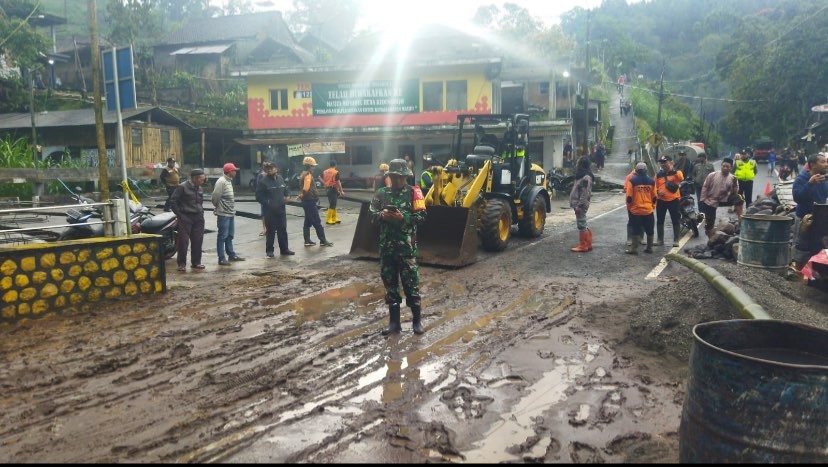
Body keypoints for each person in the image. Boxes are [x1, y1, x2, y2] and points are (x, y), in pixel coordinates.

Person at [369, 158, 427, 335]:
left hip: (406, 250)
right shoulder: (381, 193)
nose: (398, 181)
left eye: (401, 177)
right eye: (394, 177)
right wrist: (382, 215)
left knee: (411, 286)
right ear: (390, 176)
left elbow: (423, 216)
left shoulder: (414, 193)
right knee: (391, 287)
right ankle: (394, 324)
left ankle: (416, 322)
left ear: (406, 177)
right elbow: (371, 215)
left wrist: (404, 218)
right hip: (387, 249)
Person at [791, 152, 828, 268]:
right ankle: (796, 272)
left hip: (820, 220)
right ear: (812, 165)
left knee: (817, 247)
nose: (826, 164)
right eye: (823, 162)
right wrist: (810, 184)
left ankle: (813, 273)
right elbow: (797, 198)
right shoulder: (801, 179)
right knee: (800, 248)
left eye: (827, 162)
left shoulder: (824, 180)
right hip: (804, 219)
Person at [170, 169, 207, 272]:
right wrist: (180, 215)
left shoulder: (199, 188)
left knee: (198, 241)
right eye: (201, 179)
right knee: (183, 242)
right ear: (194, 178)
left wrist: (201, 212)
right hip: (186, 217)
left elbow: (200, 202)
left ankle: (196, 262)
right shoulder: (182, 187)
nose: (202, 182)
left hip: (198, 217)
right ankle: (181, 264)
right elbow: (173, 201)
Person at [256, 162, 294, 257]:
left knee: (282, 230)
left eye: (271, 168)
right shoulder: (263, 182)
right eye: (268, 168)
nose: (269, 169)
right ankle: (269, 251)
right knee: (270, 231)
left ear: (276, 169)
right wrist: (268, 203)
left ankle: (284, 249)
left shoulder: (280, 179)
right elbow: (258, 196)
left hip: (281, 210)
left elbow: (286, 190)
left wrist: (288, 196)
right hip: (269, 212)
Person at [699, 157, 744, 239]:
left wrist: (734, 184)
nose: (725, 168)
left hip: (724, 199)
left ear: (731, 168)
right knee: (709, 221)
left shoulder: (733, 178)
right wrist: (702, 200)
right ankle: (711, 239)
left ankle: (741, 219)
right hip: (711, 200)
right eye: (723, 166)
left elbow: (735, 192)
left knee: (739, 198)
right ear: (721, 166)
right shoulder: (712, 175)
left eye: (727, 167)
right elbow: (705, 187)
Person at [211, 162, 245, 265]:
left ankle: (231, 254)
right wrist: (218, 207)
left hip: (230, 213)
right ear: (230, 172)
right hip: (224, 214)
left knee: (230, 235)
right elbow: (215, 197)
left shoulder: (229, 181)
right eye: (234, 170)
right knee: (222, 236)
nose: (235, 172)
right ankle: (221, 258)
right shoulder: (221, 181)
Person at [297, 156, 333, 247]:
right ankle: (323, 240)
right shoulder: (308, 175)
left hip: (306, 201)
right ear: (309, 166)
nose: (314, 167)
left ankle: (307, 240)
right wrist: (301, 195)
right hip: (309, 201)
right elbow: (306, 188)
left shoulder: (303, 174)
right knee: (316, 221)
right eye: (313, 166)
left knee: (308, 221)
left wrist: (301, 196)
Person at [625, 162, 657, 254]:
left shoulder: (632, 181)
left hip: (636, 211)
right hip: (648, 210)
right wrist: (652, 207)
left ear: (636, 170)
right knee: (649, 229)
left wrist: (629, 208)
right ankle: (649, 248)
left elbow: (629, 197)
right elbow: (654, 197)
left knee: (635, 230)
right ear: (646, 170)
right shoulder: (652, 181)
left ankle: (634, 249)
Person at [654, 155, 684, 246]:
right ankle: (660, 239)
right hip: (661, 200)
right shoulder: (658, 175)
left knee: (675, 219)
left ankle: (676, 240)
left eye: (665, 162)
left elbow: (681, 178)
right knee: (660, 220)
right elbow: (654, 186)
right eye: (661, 163)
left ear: (671, 162)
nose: (663, 164)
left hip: (673, 200)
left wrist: (672, 169)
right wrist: (658, 191)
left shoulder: (677, 173)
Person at [569, 156, 594, 253]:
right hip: (579, 204)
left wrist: (579, 205)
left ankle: (583, 245)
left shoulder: (586, 177)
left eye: (578, 163)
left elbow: (585, 193)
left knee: (581, 223)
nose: (576, 164)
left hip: (581, 205)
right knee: (583, 222)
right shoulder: (581, 175)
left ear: (582, 165)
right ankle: (588, 244)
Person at [322, 160, 344, 225]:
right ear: (335, 165)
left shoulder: (325, 171)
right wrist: (341, 191)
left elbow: (322, 178)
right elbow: (338, 182)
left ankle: (334, 218)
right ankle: (328, 219)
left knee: (333, 204)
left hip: (327, 189)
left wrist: (325, 184)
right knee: (332, 204)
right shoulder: (335, 172)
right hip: (333, 189)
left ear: (330, 165)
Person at [255, 163, 270, 236]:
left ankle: (270, 228)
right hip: (264, 198)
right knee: (264, 214)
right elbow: (259, 186)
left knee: (270, 213)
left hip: (270, 197)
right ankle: (265, 229)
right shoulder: (261, 175)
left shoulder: (271, 174)